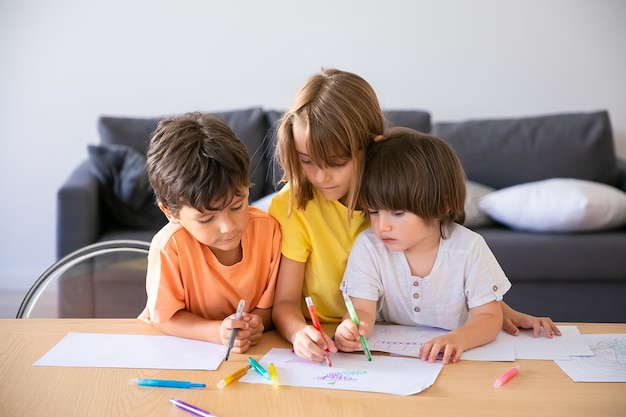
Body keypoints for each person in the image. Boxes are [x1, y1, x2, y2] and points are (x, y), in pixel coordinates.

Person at [269, 68, 560, 364]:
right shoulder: (294, 206)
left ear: (371, 147)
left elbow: (447, 266)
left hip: (387, 332)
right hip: (333, 332)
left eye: (337, 162)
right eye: (306, 160)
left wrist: (494, 311)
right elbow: (285, 302)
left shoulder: (400, 193)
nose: (321, 176)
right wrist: (298, 333)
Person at [335, 128, 511, 364]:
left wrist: (458, 339)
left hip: (457, 361)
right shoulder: (369, 247)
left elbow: (489, 317)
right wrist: (352, 327)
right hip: (393, 361)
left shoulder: (469, 248)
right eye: (374, 211)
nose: (382, 226)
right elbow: (362, 309)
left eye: (397, 213)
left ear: (443, 205)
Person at [139, 112, 282, 354]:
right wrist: (216, 332)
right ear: (170, 212)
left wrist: (256, 324)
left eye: (237, 206)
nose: (228, 226)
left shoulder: (269, 231)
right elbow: (164, 319)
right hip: (177, 354)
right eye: (206, 218)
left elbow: (269, 308)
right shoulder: (170, 247)